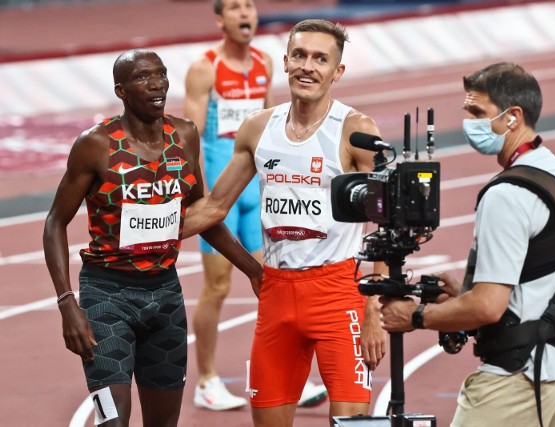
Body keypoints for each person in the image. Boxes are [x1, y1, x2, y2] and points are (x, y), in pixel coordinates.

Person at [183, 19, 387, 427]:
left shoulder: (355, 132)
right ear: (286, 62)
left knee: (352, 425)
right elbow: (213, 208)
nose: (308, 66)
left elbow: (387, 225)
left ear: (337, 72)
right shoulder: (259, 128)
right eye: (300, 55)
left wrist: (373, 311)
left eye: (320, 59)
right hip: (276, 294)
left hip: (337, 295)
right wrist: (140, 234)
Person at [43, 49, 262, 427]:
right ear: (121, 90)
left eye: (160, 74)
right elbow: (54, 222)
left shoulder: (185, 135)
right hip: (106, 296)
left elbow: (202, 216)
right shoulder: (95, 145)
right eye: (143, 77)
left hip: (165, 298)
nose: (157, 83)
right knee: (113, 422)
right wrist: (67, 303)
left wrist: (253, 270)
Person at [379, 62, 555, 427]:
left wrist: (415, 317)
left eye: (477, 112)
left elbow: (488, 307)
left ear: (513, 117)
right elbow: (541, 269)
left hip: (519, 377)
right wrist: (465, 291)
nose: (468, 123)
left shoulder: (507, 194)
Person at [183, 0, 327, 410]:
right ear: (220, 19)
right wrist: (204, 199)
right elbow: (190, 137)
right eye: (235, 7)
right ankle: (207, 379)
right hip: (219, 193)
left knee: (272, 284)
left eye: (249, 5)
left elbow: (269, 126)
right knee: (218, 286)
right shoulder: (205, 68)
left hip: (256, 193)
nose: (246, 13)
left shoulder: (265, 63)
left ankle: (281, 374)